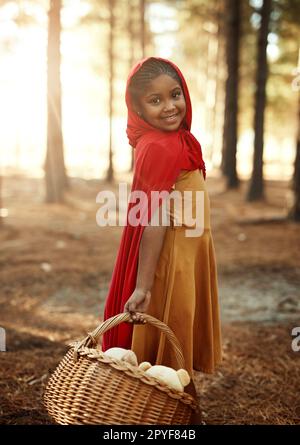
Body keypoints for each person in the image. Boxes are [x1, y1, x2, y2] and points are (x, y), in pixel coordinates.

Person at [101, 56, 222, 424]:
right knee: (171, 340)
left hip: (190, 252)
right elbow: (151, 216)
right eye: (155, 101)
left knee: (178, 339)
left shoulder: (179, 139)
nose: (170, 106)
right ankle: (176, 418)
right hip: (172, 260)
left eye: (175, 94)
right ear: (137, 107)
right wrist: (143, 285)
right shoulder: (159, 145)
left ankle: (186, 413)